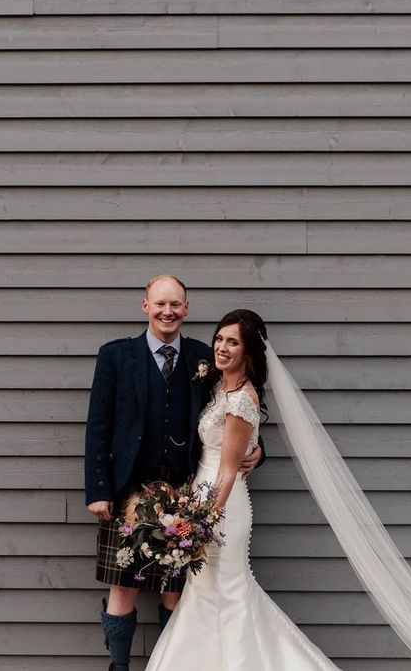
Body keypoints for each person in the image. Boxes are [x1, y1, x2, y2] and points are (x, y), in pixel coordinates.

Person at [84, 277, 265, 671]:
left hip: (185, 487)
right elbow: (98, 426)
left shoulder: (203, 356)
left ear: (186, 309)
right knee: (123, 583)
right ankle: (119, 667)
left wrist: (257, 451)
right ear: (145, 305)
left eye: (176, 304)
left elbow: (235, 412)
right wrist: (98, 489)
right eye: (160, 303)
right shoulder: (115, 356)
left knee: (178, 589)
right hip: (127, 487)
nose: (168, 311)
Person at [146, 309, 341, 670]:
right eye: (219, 338)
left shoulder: (239, 400)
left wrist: (201, 524)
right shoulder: (222, 386)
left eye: (232, 342)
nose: (221, 347)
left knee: (226, 593)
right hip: (204, 499)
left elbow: (228, 470)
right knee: (209, 593)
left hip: (222, 507)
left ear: (248, 351)